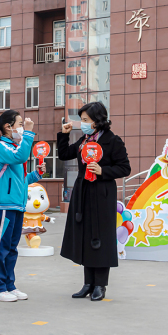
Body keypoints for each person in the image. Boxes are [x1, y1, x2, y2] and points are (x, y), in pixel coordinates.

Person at [58, 102, 131, 301]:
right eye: (82, 120)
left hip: (102, 194)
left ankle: (100, 285)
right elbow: (64, 154)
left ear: (97, 121)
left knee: (100, 238)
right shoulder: (84, 140)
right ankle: (88, 284)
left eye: (85, 120)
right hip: (83, 193)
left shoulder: (112, 141)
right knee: (85, 236)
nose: (82, 124)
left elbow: (125, 168)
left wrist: (103, 171)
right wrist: (64, 135)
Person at [0, 110, 43, 302]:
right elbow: (20, 157)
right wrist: (28, 134)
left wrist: (35, 176)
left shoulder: (13, 147)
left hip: (16, 206)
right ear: (8, 127)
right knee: (0, 248)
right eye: (20, 124)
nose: (22, 126)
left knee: (11, 249)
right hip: (3, 207)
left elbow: (19, 180)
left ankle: (9, 285)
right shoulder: (2, 147)